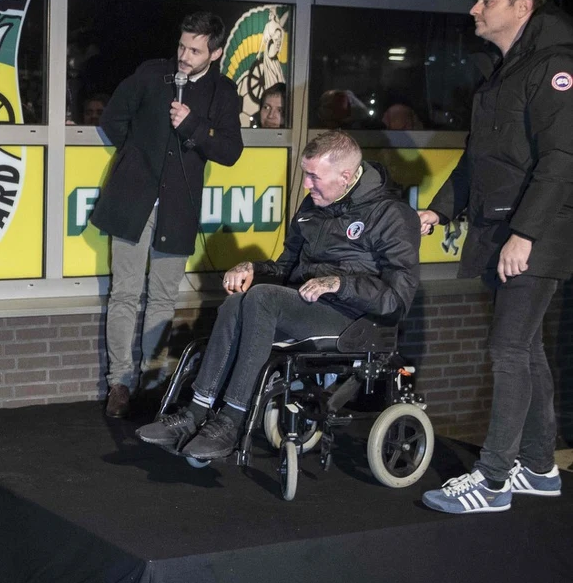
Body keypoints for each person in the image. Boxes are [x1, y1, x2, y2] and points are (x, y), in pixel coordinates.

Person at [137, 131, 420, 461]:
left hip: (354, 319)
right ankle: (194, 414)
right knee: (237, 300)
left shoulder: (391, 215)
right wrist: (253, 268)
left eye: (314, 177)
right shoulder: (314, 206)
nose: (307, 185)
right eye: (305, 174)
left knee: (261, 299)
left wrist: (340, 285)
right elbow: (286, 268)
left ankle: (230, 422)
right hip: (306, 306)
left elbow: (397, 300)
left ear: (345, 176)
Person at [418, 0, 573, 514]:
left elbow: (562, 158)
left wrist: (525, 234)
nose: (475, 9)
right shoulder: (505, 72)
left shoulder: (555, 68)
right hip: (498, 227)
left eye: (487, 0)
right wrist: (437, 211)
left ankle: (493, 479)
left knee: (508, 349)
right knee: (525, 349)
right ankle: (540, 468)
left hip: (536, 232)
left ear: (522, 7)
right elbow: (477, 158)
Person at [90, 12, 244, 418]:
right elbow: (112, 118)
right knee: (124, 293)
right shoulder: (151, 74)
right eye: (181, 46)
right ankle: (119, 383)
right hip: (132, 201)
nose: (184, 56)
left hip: (178, 208)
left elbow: (230, 151)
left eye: (195, 50)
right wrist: (137, 158)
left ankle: (153, 382)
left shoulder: (223, 92)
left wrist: (193, 126)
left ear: (216, 53)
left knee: (162, 297)